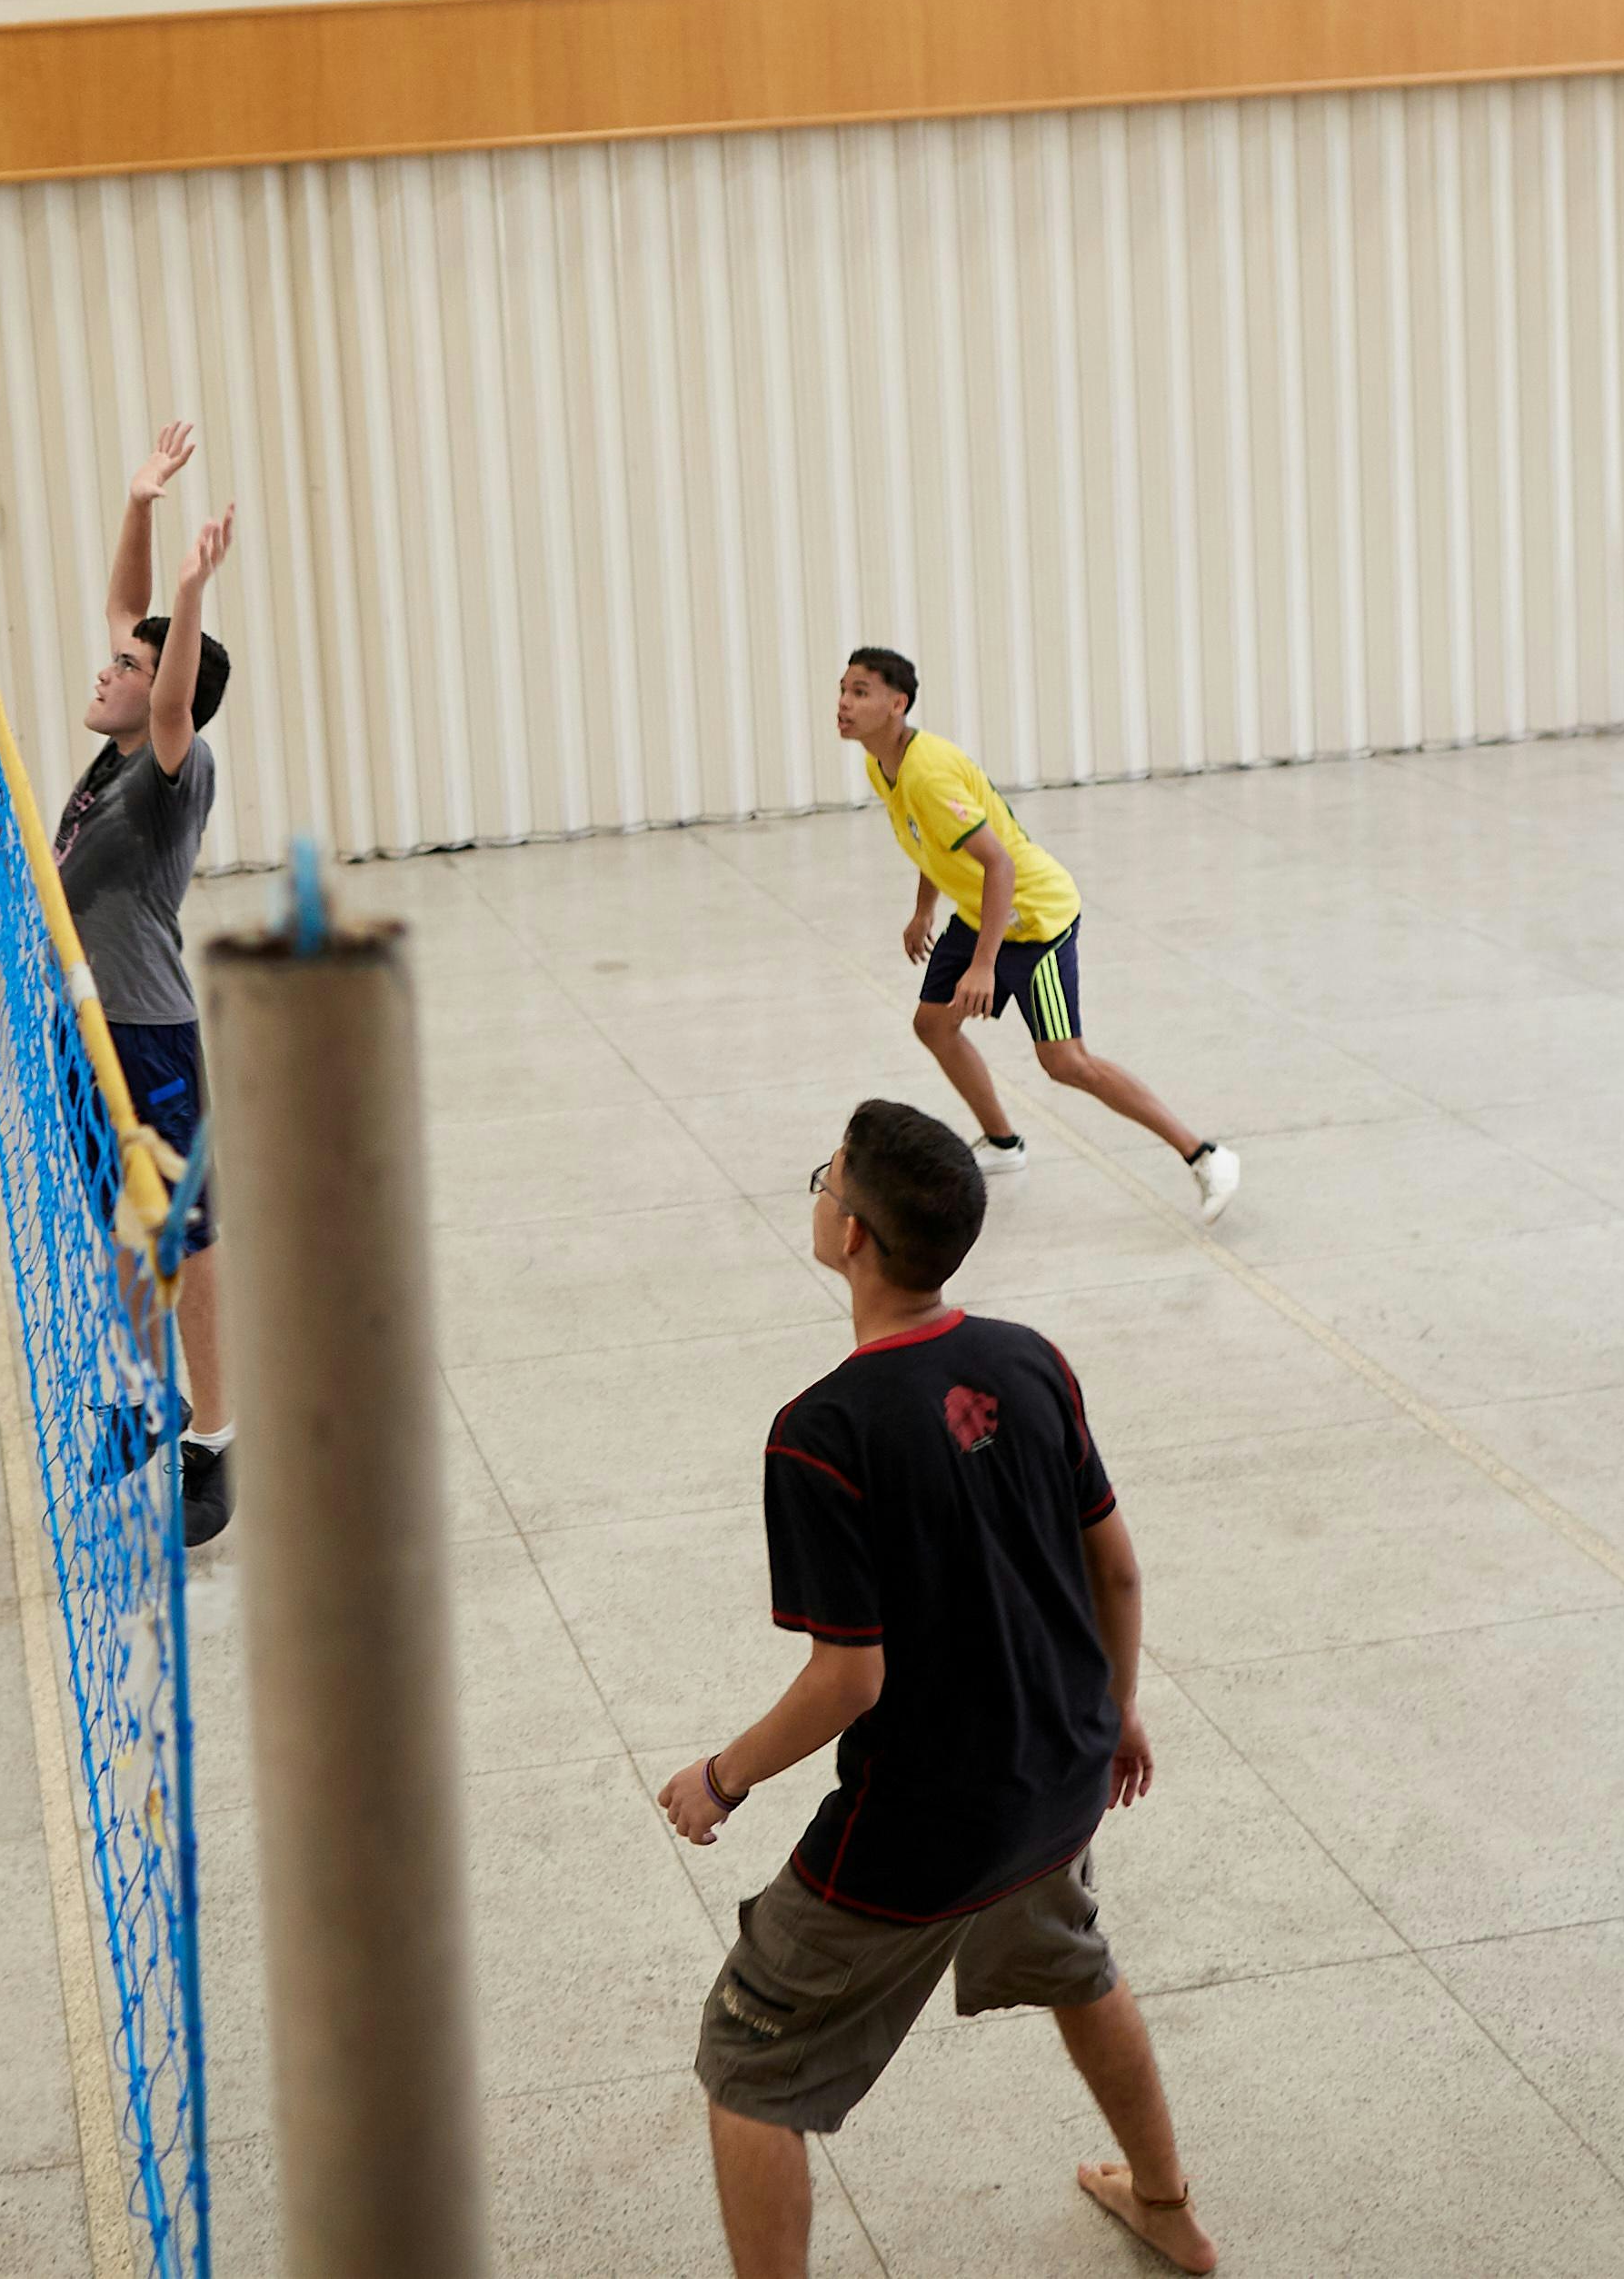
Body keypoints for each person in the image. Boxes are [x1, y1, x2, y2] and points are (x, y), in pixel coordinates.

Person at [656, 1100, 1215, 2279]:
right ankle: (1168, 2204)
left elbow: (849, 1678)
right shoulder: (1028, 1357)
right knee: (1073, 1961)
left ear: (853, 1234)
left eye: (825, 1180)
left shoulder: (821, 1433)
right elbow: (1116, 1565)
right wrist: (1116, 1710)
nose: (820, 1194)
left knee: (749, 2064)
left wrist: (722, 1776)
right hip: (1058, 1774)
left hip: (921, 1829)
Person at [834, 649, 1240, 1225]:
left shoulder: (927, 772)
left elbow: (999, 863)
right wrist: (924, 911)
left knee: (1065, 1062)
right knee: (933, 1023)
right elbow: (933, 842)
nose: (844, 704)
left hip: (1033, 917)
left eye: (861, 692)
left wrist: (983, 965)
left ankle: (1205, 1155)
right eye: (843, 690)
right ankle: (1003, 1145)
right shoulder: (883, 765)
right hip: (981, 910)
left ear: (897, 705)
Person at [61, 423, 241, 1546]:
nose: (109, 667)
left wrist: (190, 588)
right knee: (121, 1227)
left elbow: (169, 694)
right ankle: (145, 1396)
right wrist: (139, 504)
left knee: (185, 1233)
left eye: (128, 668)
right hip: (86, 1029)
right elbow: (126, 614)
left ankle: (215, 1438)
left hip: (146, 1034)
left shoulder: (171, 770)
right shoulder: (117, 747)